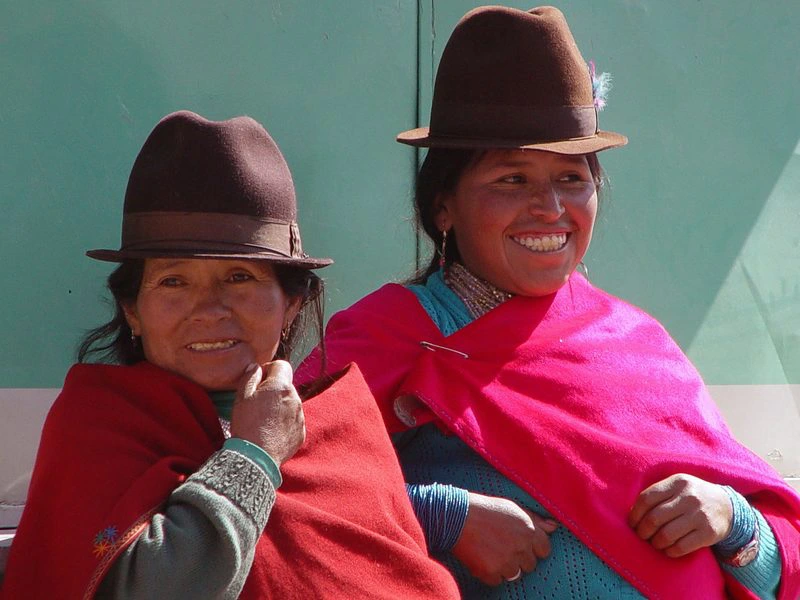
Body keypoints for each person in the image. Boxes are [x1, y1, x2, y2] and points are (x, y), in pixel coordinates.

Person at [296, 6, 800, 599]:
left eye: (571, 178)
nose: (550, 209)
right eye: (512, 180)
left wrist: (733, 521)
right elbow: (279, 497)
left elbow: (776, 561)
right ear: (443, 207)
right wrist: (441, 517)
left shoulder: (639, 343)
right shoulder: (388, 338)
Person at [0, 111, 459, 599]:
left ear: (292, 303)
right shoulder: (95, 430)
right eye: (174, 281)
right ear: (133, 310)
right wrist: (254, 455)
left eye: (240, 277)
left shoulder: (343, 433)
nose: (208, 310)